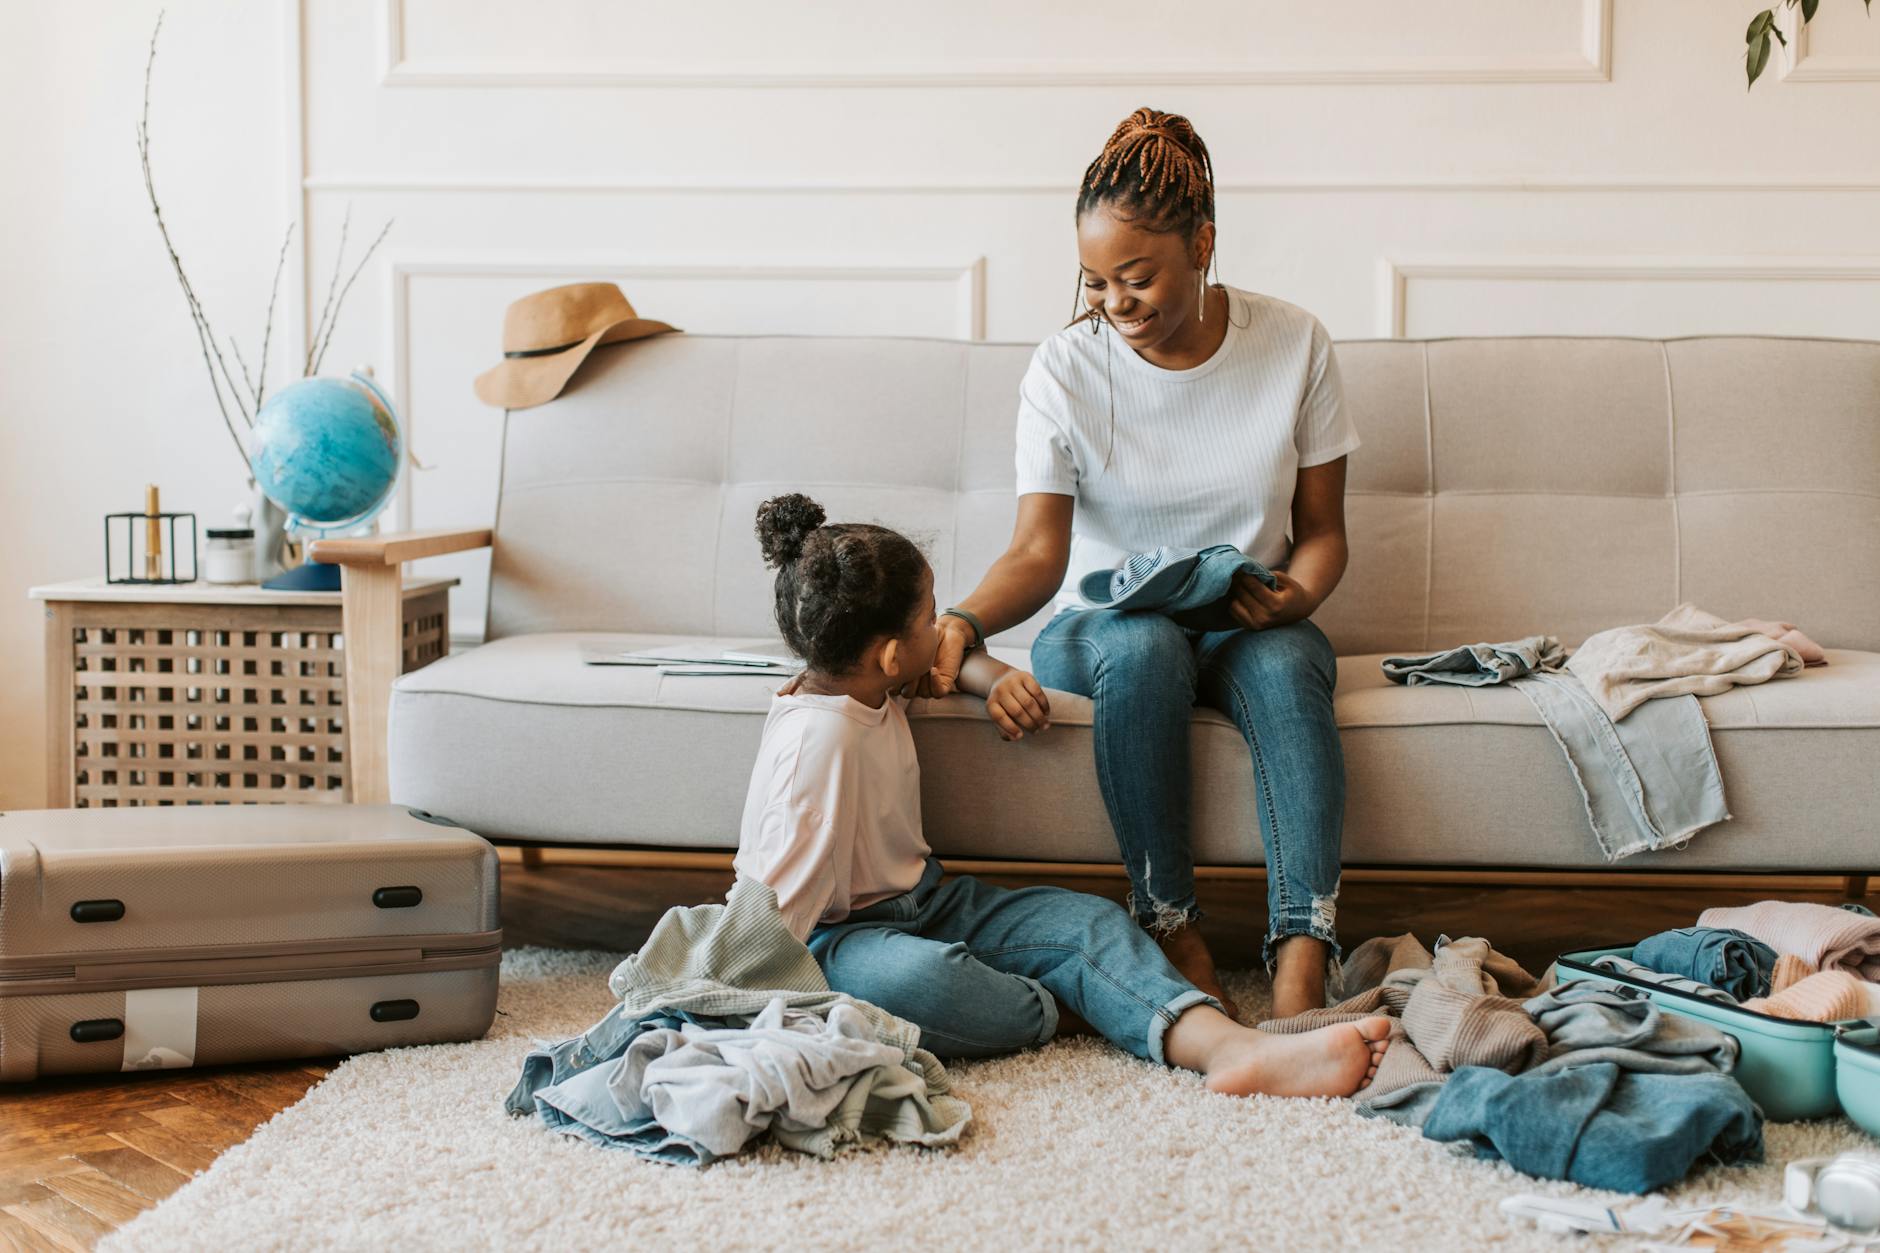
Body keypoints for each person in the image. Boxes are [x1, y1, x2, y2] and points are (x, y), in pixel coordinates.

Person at [925, 108, 1361, 1019]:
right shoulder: (1063, 370)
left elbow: (1322, 531)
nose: (1115, 305)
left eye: (1137, 278)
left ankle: (1302, 955)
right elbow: (1040, 552)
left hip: (1246, 620)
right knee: (1147, 645)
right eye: (1094, 283)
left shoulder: (1295, 344)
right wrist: (964, 620)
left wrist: (1296, 597)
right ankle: (1170, 923)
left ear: (1202, 243)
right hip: (1103, 632)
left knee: (1289, 666)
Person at [734, 492, 1387, 1098]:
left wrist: (990, 676)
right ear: (889, 653)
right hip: (837, 939)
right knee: (922, 982)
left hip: (929, 901)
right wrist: (737, 1014)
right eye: (932, 616)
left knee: (1092, 922)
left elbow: (944, 661)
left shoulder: (862, 678)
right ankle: (1089, 1006)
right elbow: (772, 915)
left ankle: (1227, 1048)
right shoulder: (815, 742)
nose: (945, 627)